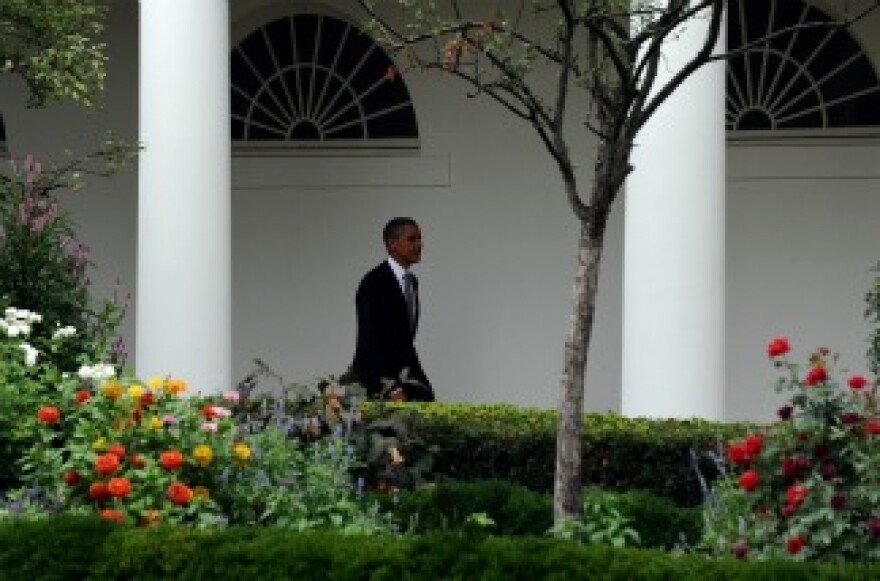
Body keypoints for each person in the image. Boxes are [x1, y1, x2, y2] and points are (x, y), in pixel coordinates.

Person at [352, 217, 435, 401]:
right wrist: (390, 388)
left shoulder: (411, 282)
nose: (419, 244)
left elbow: (405, 339)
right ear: (392, 244)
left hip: (405, 376)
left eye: (420, 239)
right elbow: (369, 340)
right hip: (378, 382)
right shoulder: (373, 283)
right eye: (412, 239)